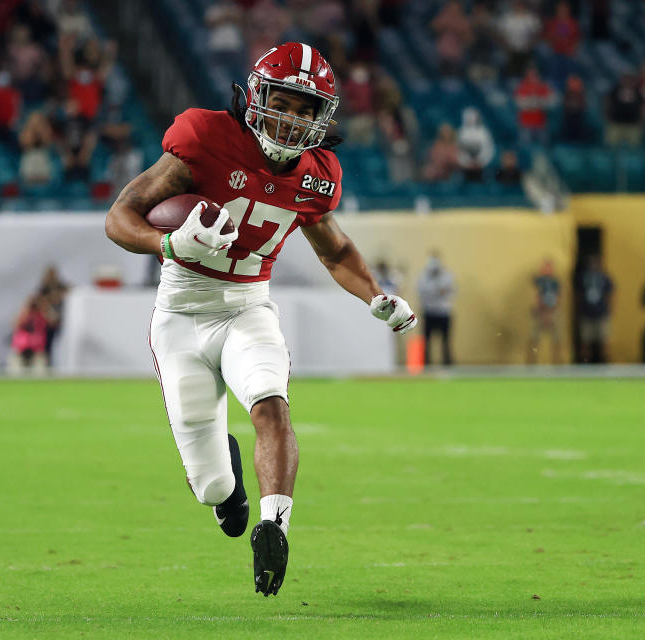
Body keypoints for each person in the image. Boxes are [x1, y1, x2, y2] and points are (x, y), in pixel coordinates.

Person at [104, 42, 418, 597]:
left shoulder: (317, 174)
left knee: (271, 404)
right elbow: (119, 218)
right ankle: (227, 482)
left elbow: (336, 251)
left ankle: (274, 524)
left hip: (248, 305)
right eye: (285, 102)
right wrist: (168, 244)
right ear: (256, 96)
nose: (293, 119)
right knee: (210, 487)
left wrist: (377, 296)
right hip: (181, 310)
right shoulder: (205, 139)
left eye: (306, 109)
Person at [417, 251, 455, 366]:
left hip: (443, 312)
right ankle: (426, 364)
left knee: (445, 341)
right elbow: (421, 292)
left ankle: (447, 363)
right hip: (429, 312)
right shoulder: (423, 276)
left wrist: (438, 291)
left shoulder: (447, 275)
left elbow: (449, 291)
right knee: (426, 341)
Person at [577, 255, 614, 363]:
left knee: (605, 342)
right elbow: (578, 294)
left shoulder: (605, 277)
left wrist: (610, 310)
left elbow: (611, 294)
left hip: (602, 313)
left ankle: (605, 364)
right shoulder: (583, 277)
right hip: (587, 314)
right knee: (585, 342)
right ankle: (585, 364)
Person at [528, 257, 562, 364]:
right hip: (539, 312)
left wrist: (550, 312)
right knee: (534, 338)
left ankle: (557, 363)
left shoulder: (555, 282)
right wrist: (541, 311)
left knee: (556, 338)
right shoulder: (538, 281)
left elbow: (558, 297)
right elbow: (534, 296)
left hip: (553, 312)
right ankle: (531, 363)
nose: (547, 269)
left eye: (549, 267)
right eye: (545, 266)